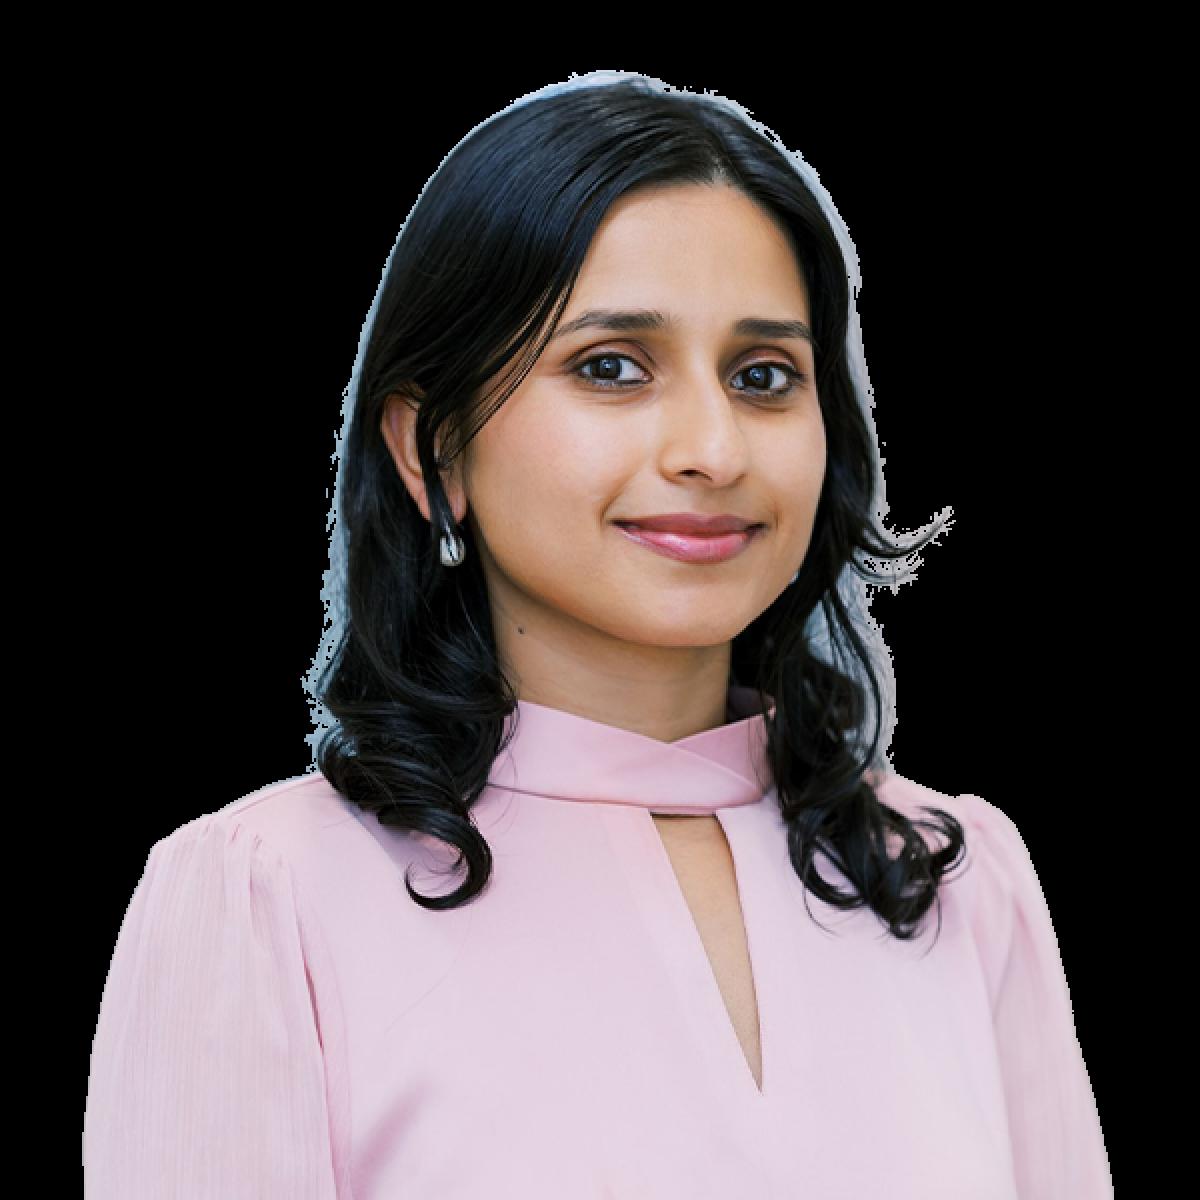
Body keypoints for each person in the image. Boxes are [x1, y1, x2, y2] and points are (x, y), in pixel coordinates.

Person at [84, 71, 1113, 1198]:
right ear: (433, 446)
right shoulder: (270, 895)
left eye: (765, 376)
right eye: (611, 367)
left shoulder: (952, 879)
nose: (714, 448)